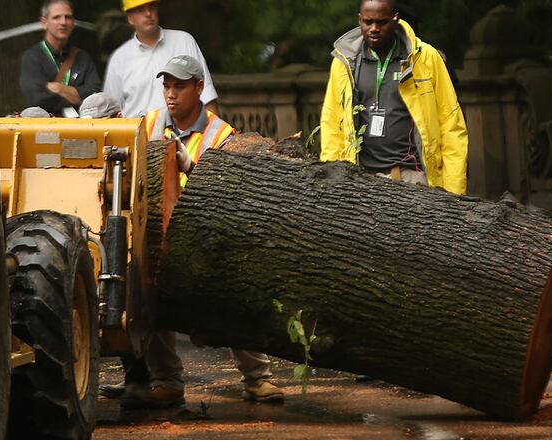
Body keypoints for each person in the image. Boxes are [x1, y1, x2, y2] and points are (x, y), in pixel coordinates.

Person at [108, 55, 284, 408]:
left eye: (180, 87)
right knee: (148, 298)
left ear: (199, 88)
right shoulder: (150, 123)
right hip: (156, 233)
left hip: (205, 236)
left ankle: (257, 378)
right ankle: (167, 381)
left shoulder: (221, 134)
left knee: (232, 296)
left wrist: (193, 167)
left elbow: (230, 193)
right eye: (167, 86)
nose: (171, 94)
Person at [320, 0, 468, 195]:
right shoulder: (344, 61)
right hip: (361, 181)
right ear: (359, 19)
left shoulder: (426, 58)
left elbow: (451, 125)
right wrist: (333, 182)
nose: (374, 29)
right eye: (367, 22)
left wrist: (454, 194)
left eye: (381, 22)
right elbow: (332, 124)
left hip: (413, 179)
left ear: (395, 18)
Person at [103, 0, 219, 118]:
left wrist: (217, 134)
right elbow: (110, 112)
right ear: (130, 18)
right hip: (134, 133)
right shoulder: (119, 58)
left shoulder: (184, 42)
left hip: (182, 133)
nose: (148, 13)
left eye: (152, 8)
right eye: (141, 10)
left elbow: (206, 96)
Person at [19, 0, 102, 117]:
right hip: (45, 129)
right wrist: (77, 96)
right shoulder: (31, 57)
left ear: (73, 22)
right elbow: (36, 98)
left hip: (80, 130)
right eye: (56, 17)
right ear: (44, 23)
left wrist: (58, 88)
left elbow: (96, 97)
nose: (63, 22)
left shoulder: (83, 58)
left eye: (68, 17)